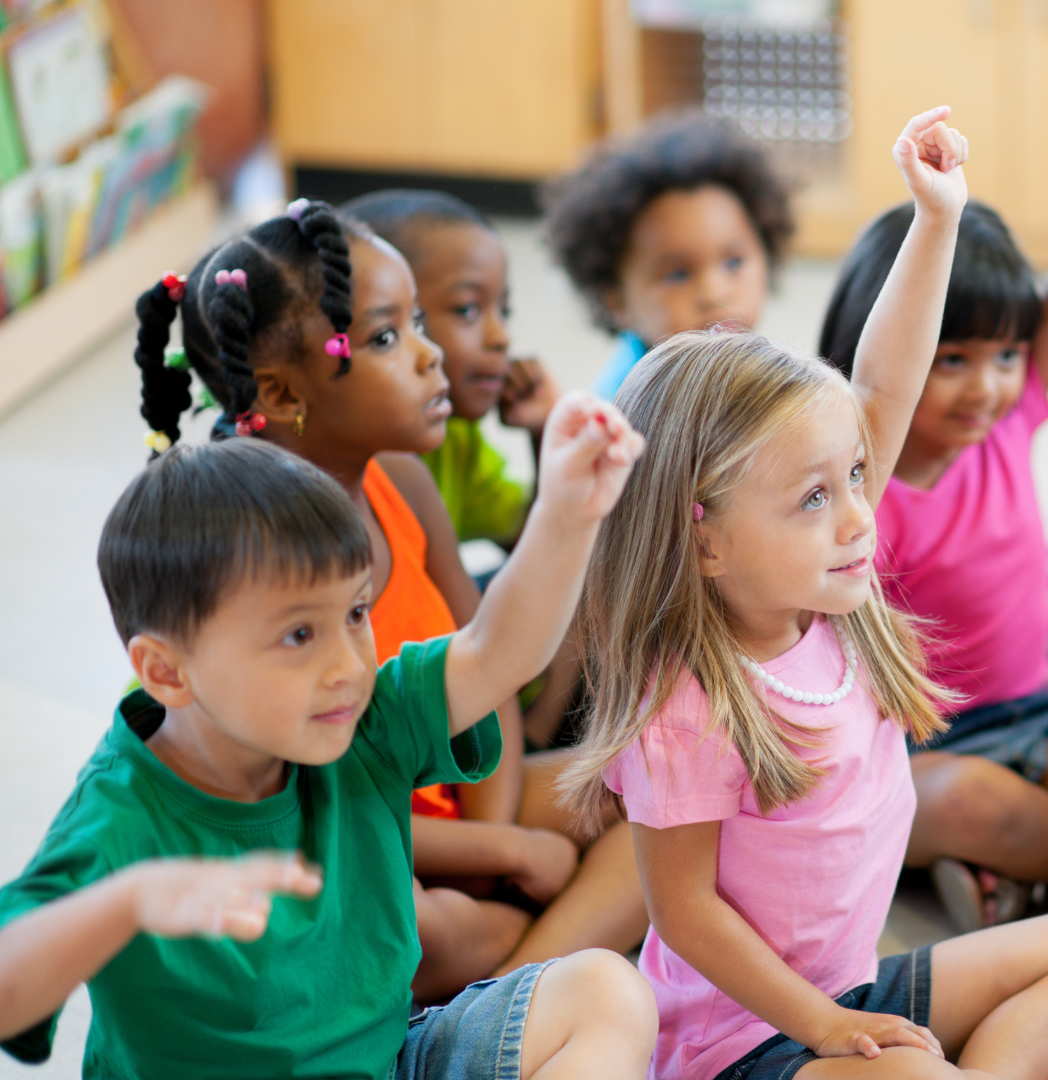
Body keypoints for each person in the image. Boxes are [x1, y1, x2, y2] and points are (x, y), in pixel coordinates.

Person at [555, 106, 1048, 1080]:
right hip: (740, 1044)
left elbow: (882, 385)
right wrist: (824, 1029)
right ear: (703, 541)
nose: (856, 518)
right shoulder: (685, 707)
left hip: (850, 994)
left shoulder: (825, 598)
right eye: (812, 498)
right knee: (911, 1071)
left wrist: (936, 221)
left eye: (851, 482)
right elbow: (686, 917)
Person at [0, 392, 657, 1079]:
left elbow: (496, 650)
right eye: (299, 634)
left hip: (387, 1058)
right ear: (167, 671)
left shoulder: (362, 721)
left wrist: (566, 517)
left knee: (605, 990)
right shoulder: (119, 817)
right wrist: (125, 905)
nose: (348, 665)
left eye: (357, 612)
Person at [115, 202, 648, 1000]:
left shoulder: (398, 477)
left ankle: (506, 984)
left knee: (658, 798)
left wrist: (495, 826)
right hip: (346, 842)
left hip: (458, 807)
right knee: (411, 925)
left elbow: (485, 656)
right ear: (282, 393)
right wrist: (500, 858)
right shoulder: (251, 552)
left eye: (423, 324)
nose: (433, 357)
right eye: (390, 338)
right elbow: (321, 810)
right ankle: (513, 987)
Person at [815, 0, 1048, 931]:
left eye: (1005, 357)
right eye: (951, 359)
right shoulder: (856, 466)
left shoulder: (1011, 416)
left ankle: (1013, 868)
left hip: (1034, 710)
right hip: (914, 753)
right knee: (971, 804)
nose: (987, 387)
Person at [340, 189, 559, 553]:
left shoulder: (456, 437)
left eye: (503, 312)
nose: (500, 337)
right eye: (467, 310)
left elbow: (530, 545)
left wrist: (544, 432)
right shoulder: (337, 459)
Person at [543, 112, 793, 399]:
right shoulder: (623, 412)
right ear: (616, 301)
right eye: (678, 274)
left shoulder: (763, 374)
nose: (715, 293)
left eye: (733, 263)